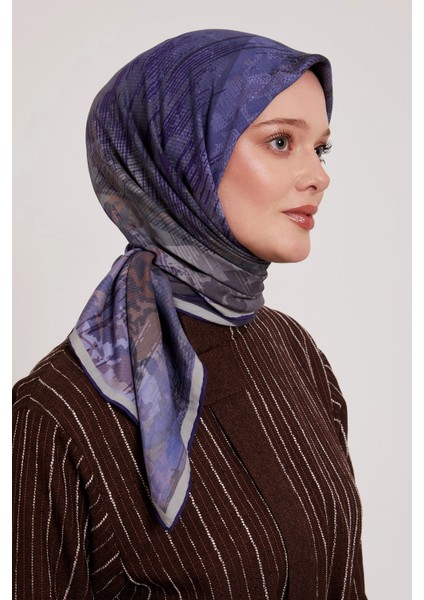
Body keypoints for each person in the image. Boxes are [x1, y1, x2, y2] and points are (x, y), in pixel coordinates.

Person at [12, 29, 367, 599]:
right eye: (281, 142)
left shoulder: (293, 351)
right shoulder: (57, 415)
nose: (319, 176)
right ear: (180, 157)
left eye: (320, 148)